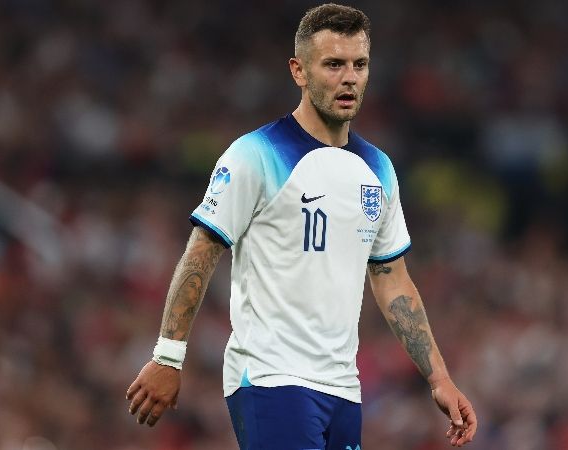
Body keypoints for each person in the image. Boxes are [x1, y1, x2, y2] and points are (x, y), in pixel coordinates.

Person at [126, 3, 477, 448]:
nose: (349, 77)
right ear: (299, 70)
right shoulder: (255, 154)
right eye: (333, 64)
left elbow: (393, 280)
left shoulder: (379, 170)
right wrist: (168, 357)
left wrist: (439, 378)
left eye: (359, 64)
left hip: (343, 390)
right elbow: (201, 251)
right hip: (271, 378)